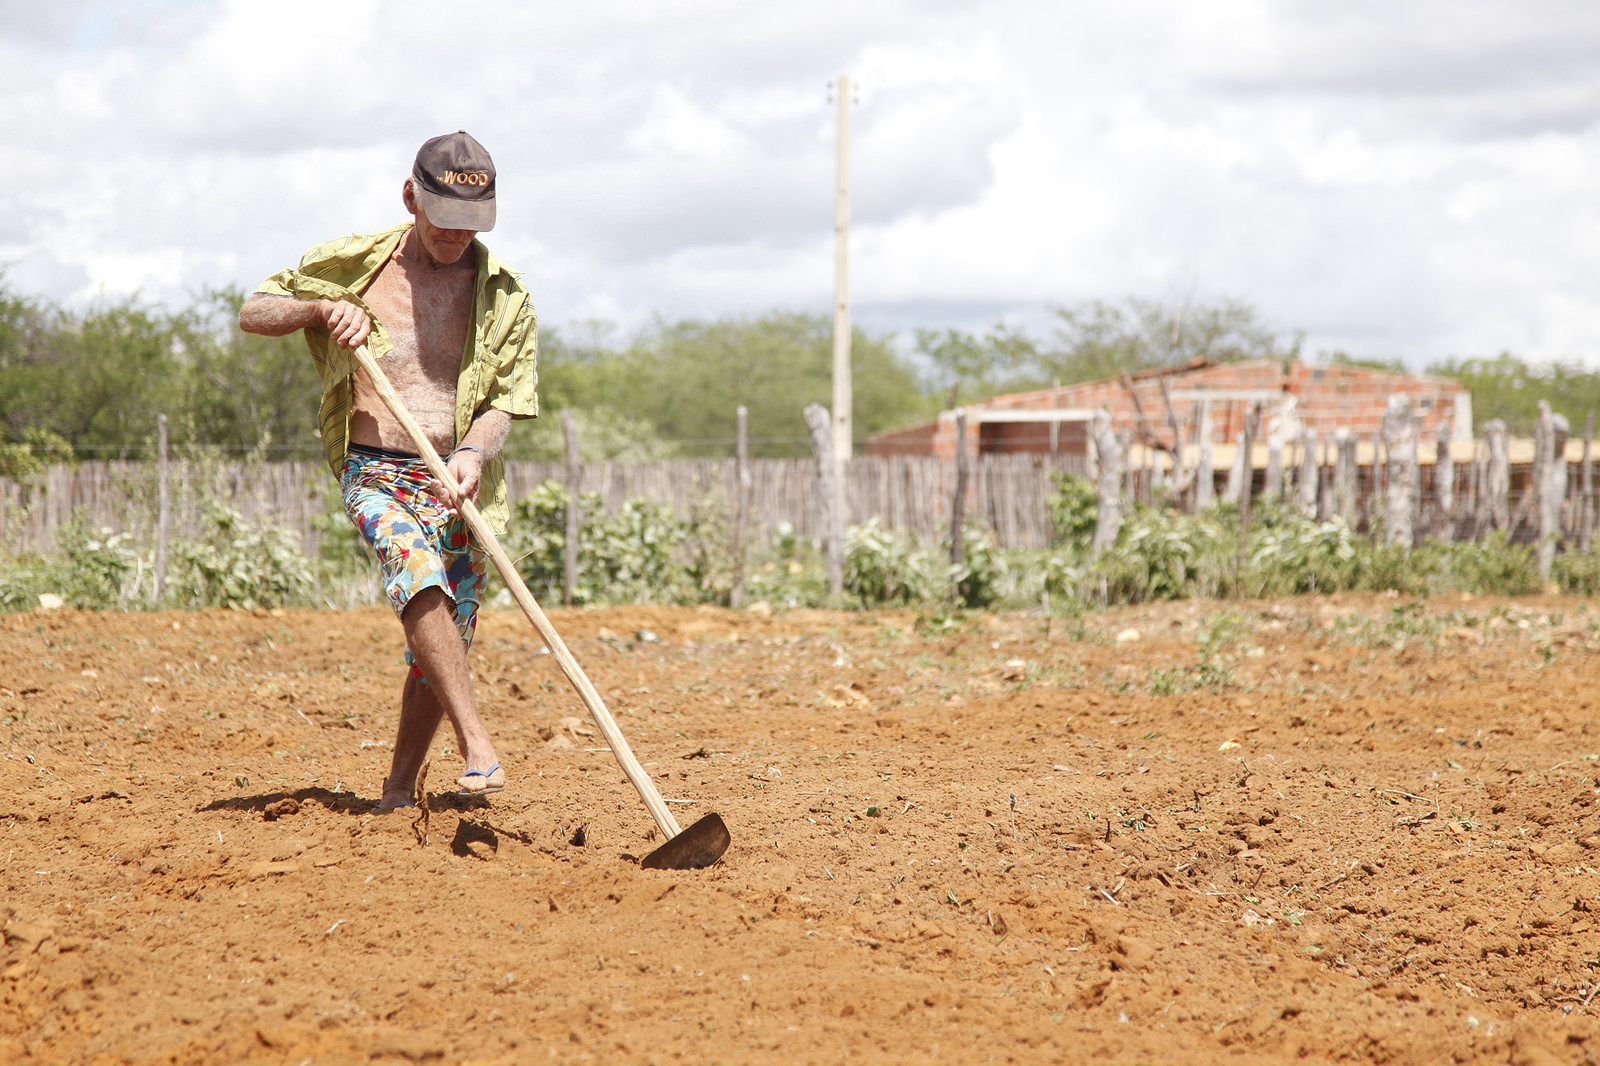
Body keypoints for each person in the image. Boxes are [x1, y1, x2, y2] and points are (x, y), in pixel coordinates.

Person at [239, 130, 538, 808]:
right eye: (445, 222)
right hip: (375, 469)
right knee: (416, 570)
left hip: (454, 480)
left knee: (446, 640)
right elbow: (254, 311)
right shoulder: (351, 265)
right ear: (411, 196)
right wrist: (319, 308)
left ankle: (400, 789)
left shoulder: (505, 295)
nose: (457, 238)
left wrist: (471, 453)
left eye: (473, 226)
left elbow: (505, 403)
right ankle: (478, 744)